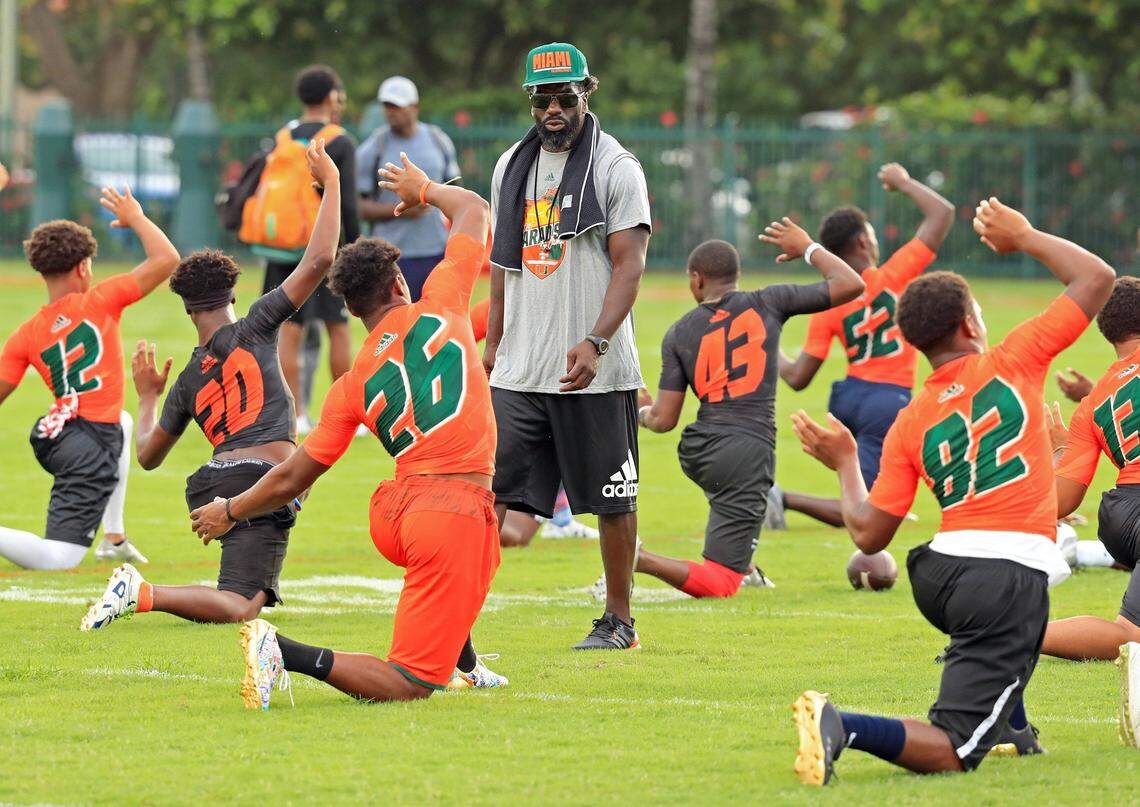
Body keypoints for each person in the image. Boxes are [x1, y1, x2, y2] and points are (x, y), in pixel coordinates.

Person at [786, 198, 1115, 785]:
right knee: (957, 748)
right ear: (969, 326)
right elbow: (1097, 277)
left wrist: (842, 462)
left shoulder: (910, 420)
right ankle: (843, 725)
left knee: (1003, 638)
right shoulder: (1015, 359)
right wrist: (1027, 234)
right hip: (1001, 578)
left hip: (939, 576)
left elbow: (868, 534)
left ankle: (1013, 726)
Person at [189, 152, 505, 707]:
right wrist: (425, 188)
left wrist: (230, 510)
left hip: (396, 513)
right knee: (411, 682)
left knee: (474, 563)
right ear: (400, 282)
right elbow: (476, 209)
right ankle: (281, 651)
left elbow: (291, 479)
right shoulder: (444, 304)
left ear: (354, 305)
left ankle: (468, 661)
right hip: (448, 507)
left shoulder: (352, 381)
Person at [80, 140, 341, 631]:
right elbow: (320, 258)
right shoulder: (257, 324)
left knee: (243, 597)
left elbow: (148, 455)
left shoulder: (185, 380)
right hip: (258, 480)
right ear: (234, 294)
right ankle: (140, 591)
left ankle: (145, 590)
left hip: (212, 482)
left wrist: (148, 397)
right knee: (240, 604)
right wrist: (334, 185)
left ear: (187, 307)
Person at [484, 42, 651, 650]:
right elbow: (502, 261)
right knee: (489, 496)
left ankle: (618, 620)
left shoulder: (616, 167)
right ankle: (456, 619)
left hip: (595, 371)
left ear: (588, 92)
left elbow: (630, 265)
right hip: (520, 367)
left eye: (564, 96)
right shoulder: (512, 166)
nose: (553, 108)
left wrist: (597, 341)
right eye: (542, 98)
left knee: (612, 500)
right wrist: (493, 342)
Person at [634, 224, 863, 597]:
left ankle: (746, 563)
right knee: (722, 582)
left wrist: (641, 410)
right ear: (736, 276)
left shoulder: (678, 332)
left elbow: (662, 420)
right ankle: (636, 558)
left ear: (697, 279)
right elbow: (850, 283)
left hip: (699, 450)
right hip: (746, 451)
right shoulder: (769, 301)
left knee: (733, 504)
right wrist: (807, 247)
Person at [0, 188, 179, 569]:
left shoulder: (26, 334)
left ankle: (113, 537)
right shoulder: (101, 299)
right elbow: (167, 259)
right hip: (89, 443)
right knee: (59, 558)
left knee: (124, 422)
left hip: (56, 433)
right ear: (83, 267)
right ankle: (99, 541)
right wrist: (136, 218)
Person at [772, 164, 954, 529]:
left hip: (849, 397)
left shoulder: (830, 301)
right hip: (887, 400)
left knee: (893, 472)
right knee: (863, 512)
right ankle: (780, 499)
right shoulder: (894, 274)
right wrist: (904, 183)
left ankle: (891, 502)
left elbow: (797, 376)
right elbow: (942, 213)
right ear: (862, 242)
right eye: (870, 235)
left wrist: (767, 338)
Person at [1041, 277, 1140, 664]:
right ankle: (1007, 634)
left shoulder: (1094, 399)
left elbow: (1061, 502)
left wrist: (1060, 449)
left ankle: (1005, 632)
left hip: (1122, 516)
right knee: (1131, 635)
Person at [256, 65, 359, 434]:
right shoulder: (340, 140)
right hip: (324, 247)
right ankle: (345, 413)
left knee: (289, 328)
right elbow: (346, 203)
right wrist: (356, 247)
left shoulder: (283, 136)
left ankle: (296, 414)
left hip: (283, 248)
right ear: (331, 97)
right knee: (339, 326)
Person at [357, 76, 460, 301]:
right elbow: (358, 206)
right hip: (390, 255)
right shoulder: (374, 148)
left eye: (397, 106)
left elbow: (456, 188)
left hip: (436, 251)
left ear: (415, 107)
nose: (391, 112)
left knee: (437, 321)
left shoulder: (438, 140)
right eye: (387, 106)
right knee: (397, 323)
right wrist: (401, 208)